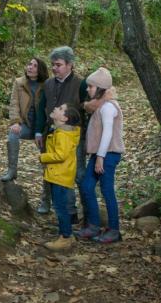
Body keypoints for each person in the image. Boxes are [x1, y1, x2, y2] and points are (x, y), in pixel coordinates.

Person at [34, 46, 88, 219]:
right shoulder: (48, 84)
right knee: (51, 170)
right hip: (50, 135)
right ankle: (58, 208)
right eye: (52, 65)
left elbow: (88, 111)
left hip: (73, 137)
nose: (54, 68)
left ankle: (85, 211)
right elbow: (41, 108)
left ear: (69, 64)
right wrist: (38, 132)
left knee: (77, 173)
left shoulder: (81, 84)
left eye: (58, 65)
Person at [75, 67, 125, 244]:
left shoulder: (108, 107)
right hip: (99, 154)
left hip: (107, 155)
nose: (88, 89)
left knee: (106, 190)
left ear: (101, 88)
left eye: (91, 87)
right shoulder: (100, 105)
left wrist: (101, 158)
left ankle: (114, 230)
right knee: (87, 186)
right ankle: (94, 225)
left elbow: (107, 133)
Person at [39, 103, 81, 251]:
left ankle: (65, 237)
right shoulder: (60, 132)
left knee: (60, 207)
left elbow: (60, 155)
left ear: (64, 118)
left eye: (60, 109)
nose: (56, 108)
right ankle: (68, 234)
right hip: (59, 174)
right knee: (61, 205)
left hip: (60, 175)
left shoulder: (63, 134)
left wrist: (43, 157)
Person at [1, 57, 48, 181]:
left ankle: (48, 183)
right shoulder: (19, 82)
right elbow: (14, 104)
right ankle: (12, 171)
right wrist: (15, 122)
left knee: (48, 153)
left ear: (41, 70)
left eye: (35, 65)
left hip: (42, 127)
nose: (30, 67)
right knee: (12, 135)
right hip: (26, 124)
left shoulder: (47, 84)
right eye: (29, 64)